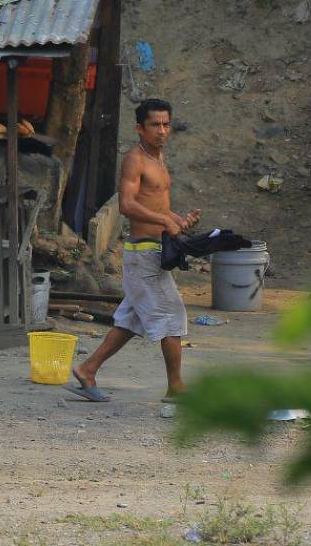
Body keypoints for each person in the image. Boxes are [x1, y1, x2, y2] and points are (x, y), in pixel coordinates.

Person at [67, 98, 200, 403]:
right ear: (140, 128)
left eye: (167, 124)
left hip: (155, 250)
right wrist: (166, 221)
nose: (162, 131)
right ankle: (176, 388)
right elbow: (127, 206)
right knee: (172, 315)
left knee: (131, 320)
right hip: (143, 254)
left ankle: (88, 369)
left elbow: (155, 205)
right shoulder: (135, 160)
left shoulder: (159, 160)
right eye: (155, 125)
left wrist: (179, 219)